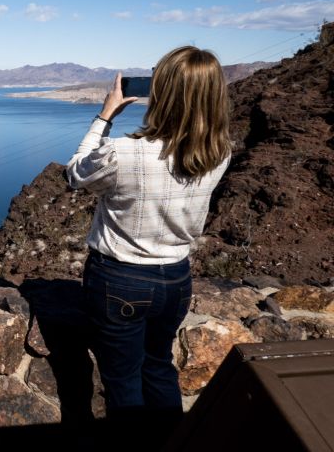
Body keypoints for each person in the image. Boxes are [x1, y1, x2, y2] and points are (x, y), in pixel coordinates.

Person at [65, 46, 232, 448]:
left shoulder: (125, 152)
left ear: (165, 93)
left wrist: (105, 116)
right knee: (159, 367)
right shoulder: (219, 152)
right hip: (176, 279)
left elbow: (75, 175)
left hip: (120, 279)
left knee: (122, 380)